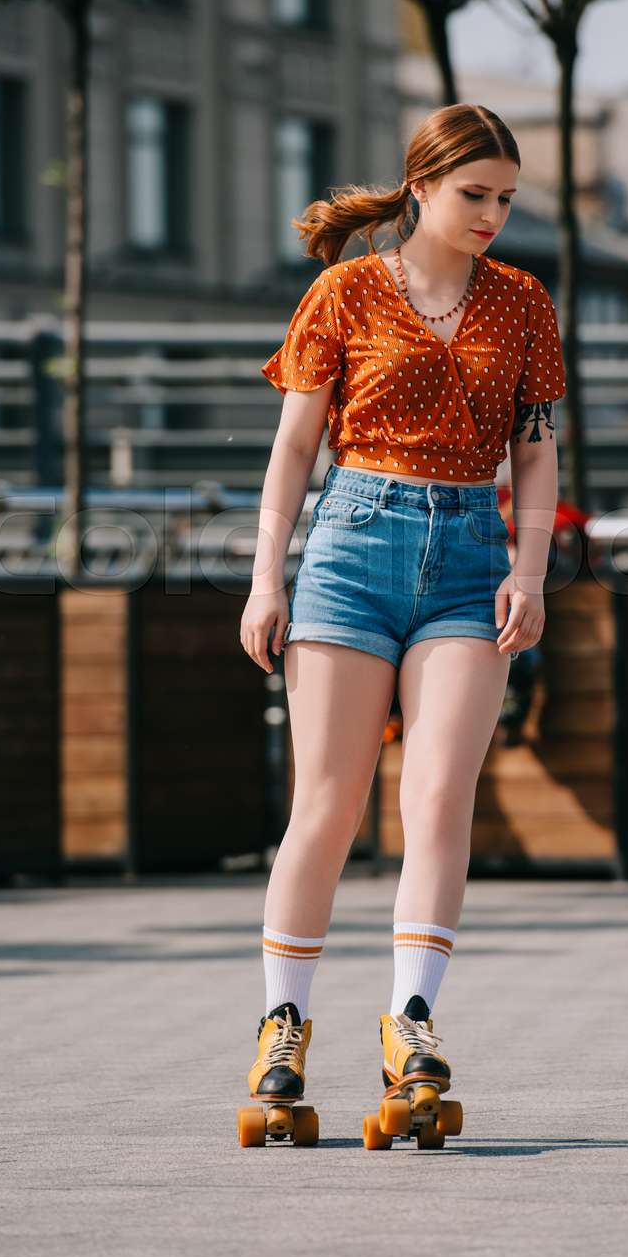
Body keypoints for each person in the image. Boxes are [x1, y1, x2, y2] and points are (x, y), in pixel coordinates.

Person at [241, 102, 567, 1138]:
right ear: (420, 185)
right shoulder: (342, 291)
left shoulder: (523, 303)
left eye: (507, 199)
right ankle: (281, 1025)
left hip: (473, 557)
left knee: (438, 793)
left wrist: (531, 567)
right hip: (351, 548)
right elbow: (294, 450)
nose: (492, 216)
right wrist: (267, 577)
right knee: (329, 804)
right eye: (475, 194)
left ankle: (411, 1021)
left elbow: (537, 447)